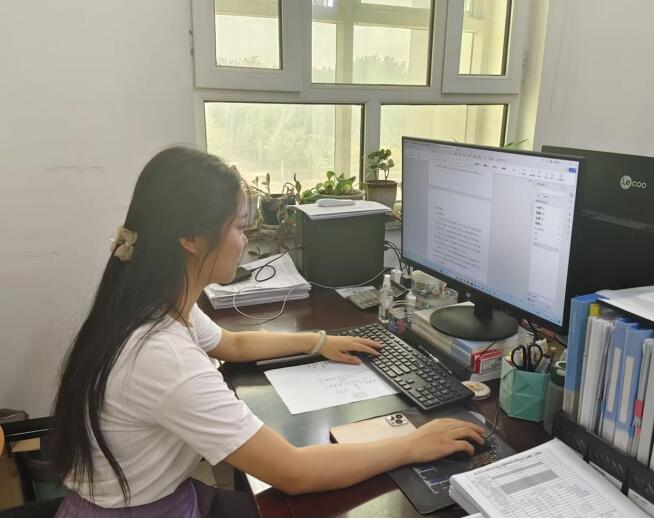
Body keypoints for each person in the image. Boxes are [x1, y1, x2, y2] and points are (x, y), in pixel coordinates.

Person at [52, 147, 486, 517]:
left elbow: (232, 342)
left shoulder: (150, 303)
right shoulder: (161, 353)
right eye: (240, 227)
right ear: (192, 239)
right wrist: (412, 444)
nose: (245, 241)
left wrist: (319, 342)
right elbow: (293, 472)